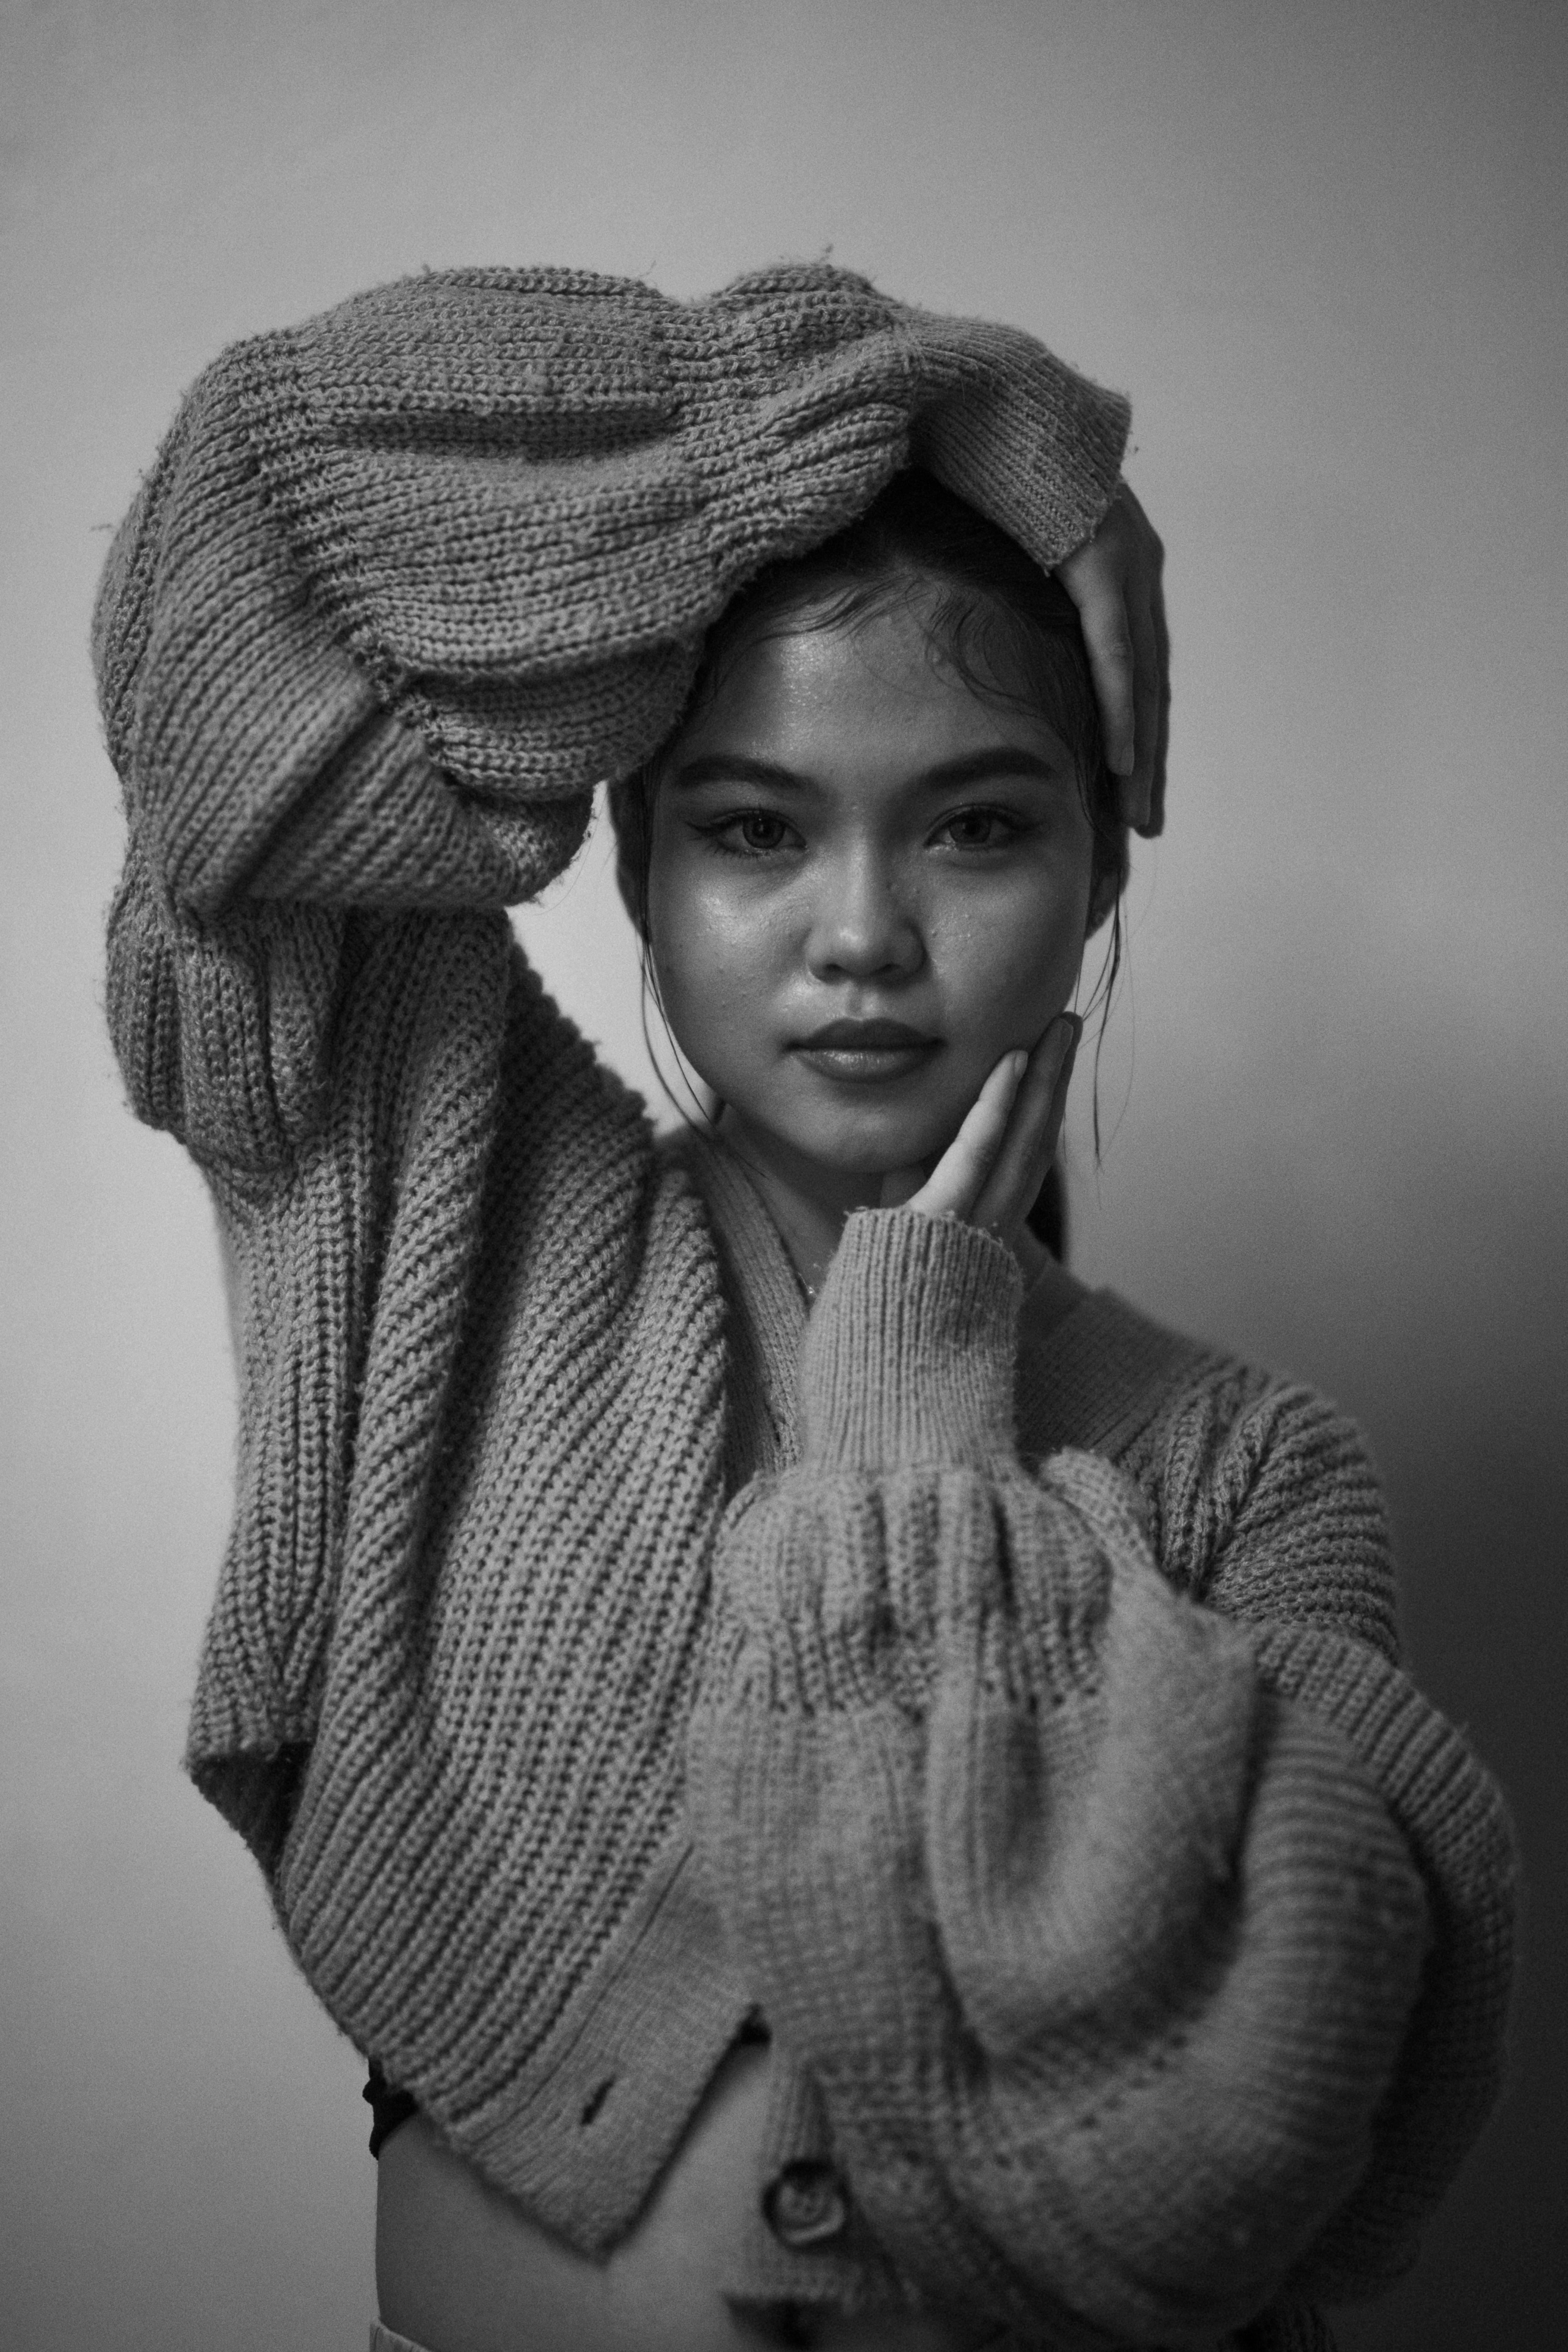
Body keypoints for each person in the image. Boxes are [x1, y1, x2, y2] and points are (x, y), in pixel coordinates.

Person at [94, 262, 1515, 2352]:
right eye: (757, 829)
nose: (864, 931)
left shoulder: (1250, 1464)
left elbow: (1242, 2129)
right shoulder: (459, 1218)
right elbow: (253, 552)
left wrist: (922, 1413)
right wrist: (911, 403)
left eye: (976, 826)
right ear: (636, 862)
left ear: (1099, 868)